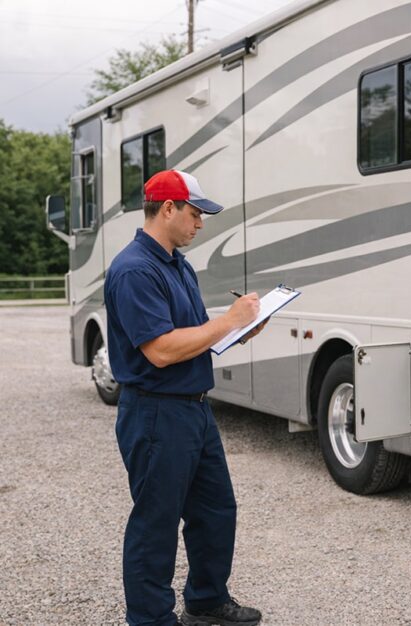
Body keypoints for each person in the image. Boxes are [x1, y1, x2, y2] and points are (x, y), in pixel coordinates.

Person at [105, 169, 265, 626]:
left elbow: (194, 337)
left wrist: (240, 328)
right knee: (157, 521)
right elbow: (159, 350)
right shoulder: (135, 269)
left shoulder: (176, 264)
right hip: (156, 412)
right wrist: (228, 320)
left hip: (193, 407)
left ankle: (206, 599)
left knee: (215, 509)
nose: (200, 224)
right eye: (195, 214)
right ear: (168, 208)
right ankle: (151, 618)